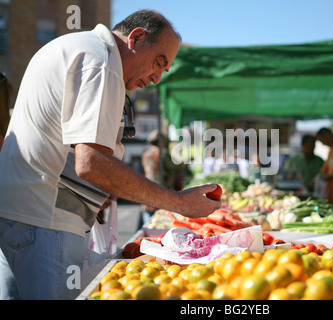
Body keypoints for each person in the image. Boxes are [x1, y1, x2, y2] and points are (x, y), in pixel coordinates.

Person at [0, 10, 220, 300]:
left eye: (163, 71)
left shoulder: (78, 47)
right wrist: (177, 202)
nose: (155, 78)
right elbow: (91, 163)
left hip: (20, 215)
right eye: (158, 62)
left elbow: (65, 144)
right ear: (136, 37)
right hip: (46, 223)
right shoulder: (102, 62)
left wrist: (102, 188)